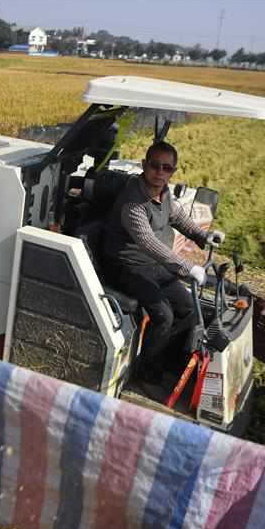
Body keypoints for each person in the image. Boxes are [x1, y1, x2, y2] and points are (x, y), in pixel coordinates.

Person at [101, 141, 224, 384]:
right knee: (164, 315)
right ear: (144, 165)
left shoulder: (164, 193)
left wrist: (203, 236)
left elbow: (178, 217)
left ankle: (164, 356)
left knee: (189, 307)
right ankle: (144, 370)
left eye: (167, 168)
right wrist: (187, 268)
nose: (160, 172)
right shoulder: (133, 202)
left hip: (153, 265)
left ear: (173, 172)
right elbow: (148, 242)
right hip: (125, 266)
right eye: (155, 166)